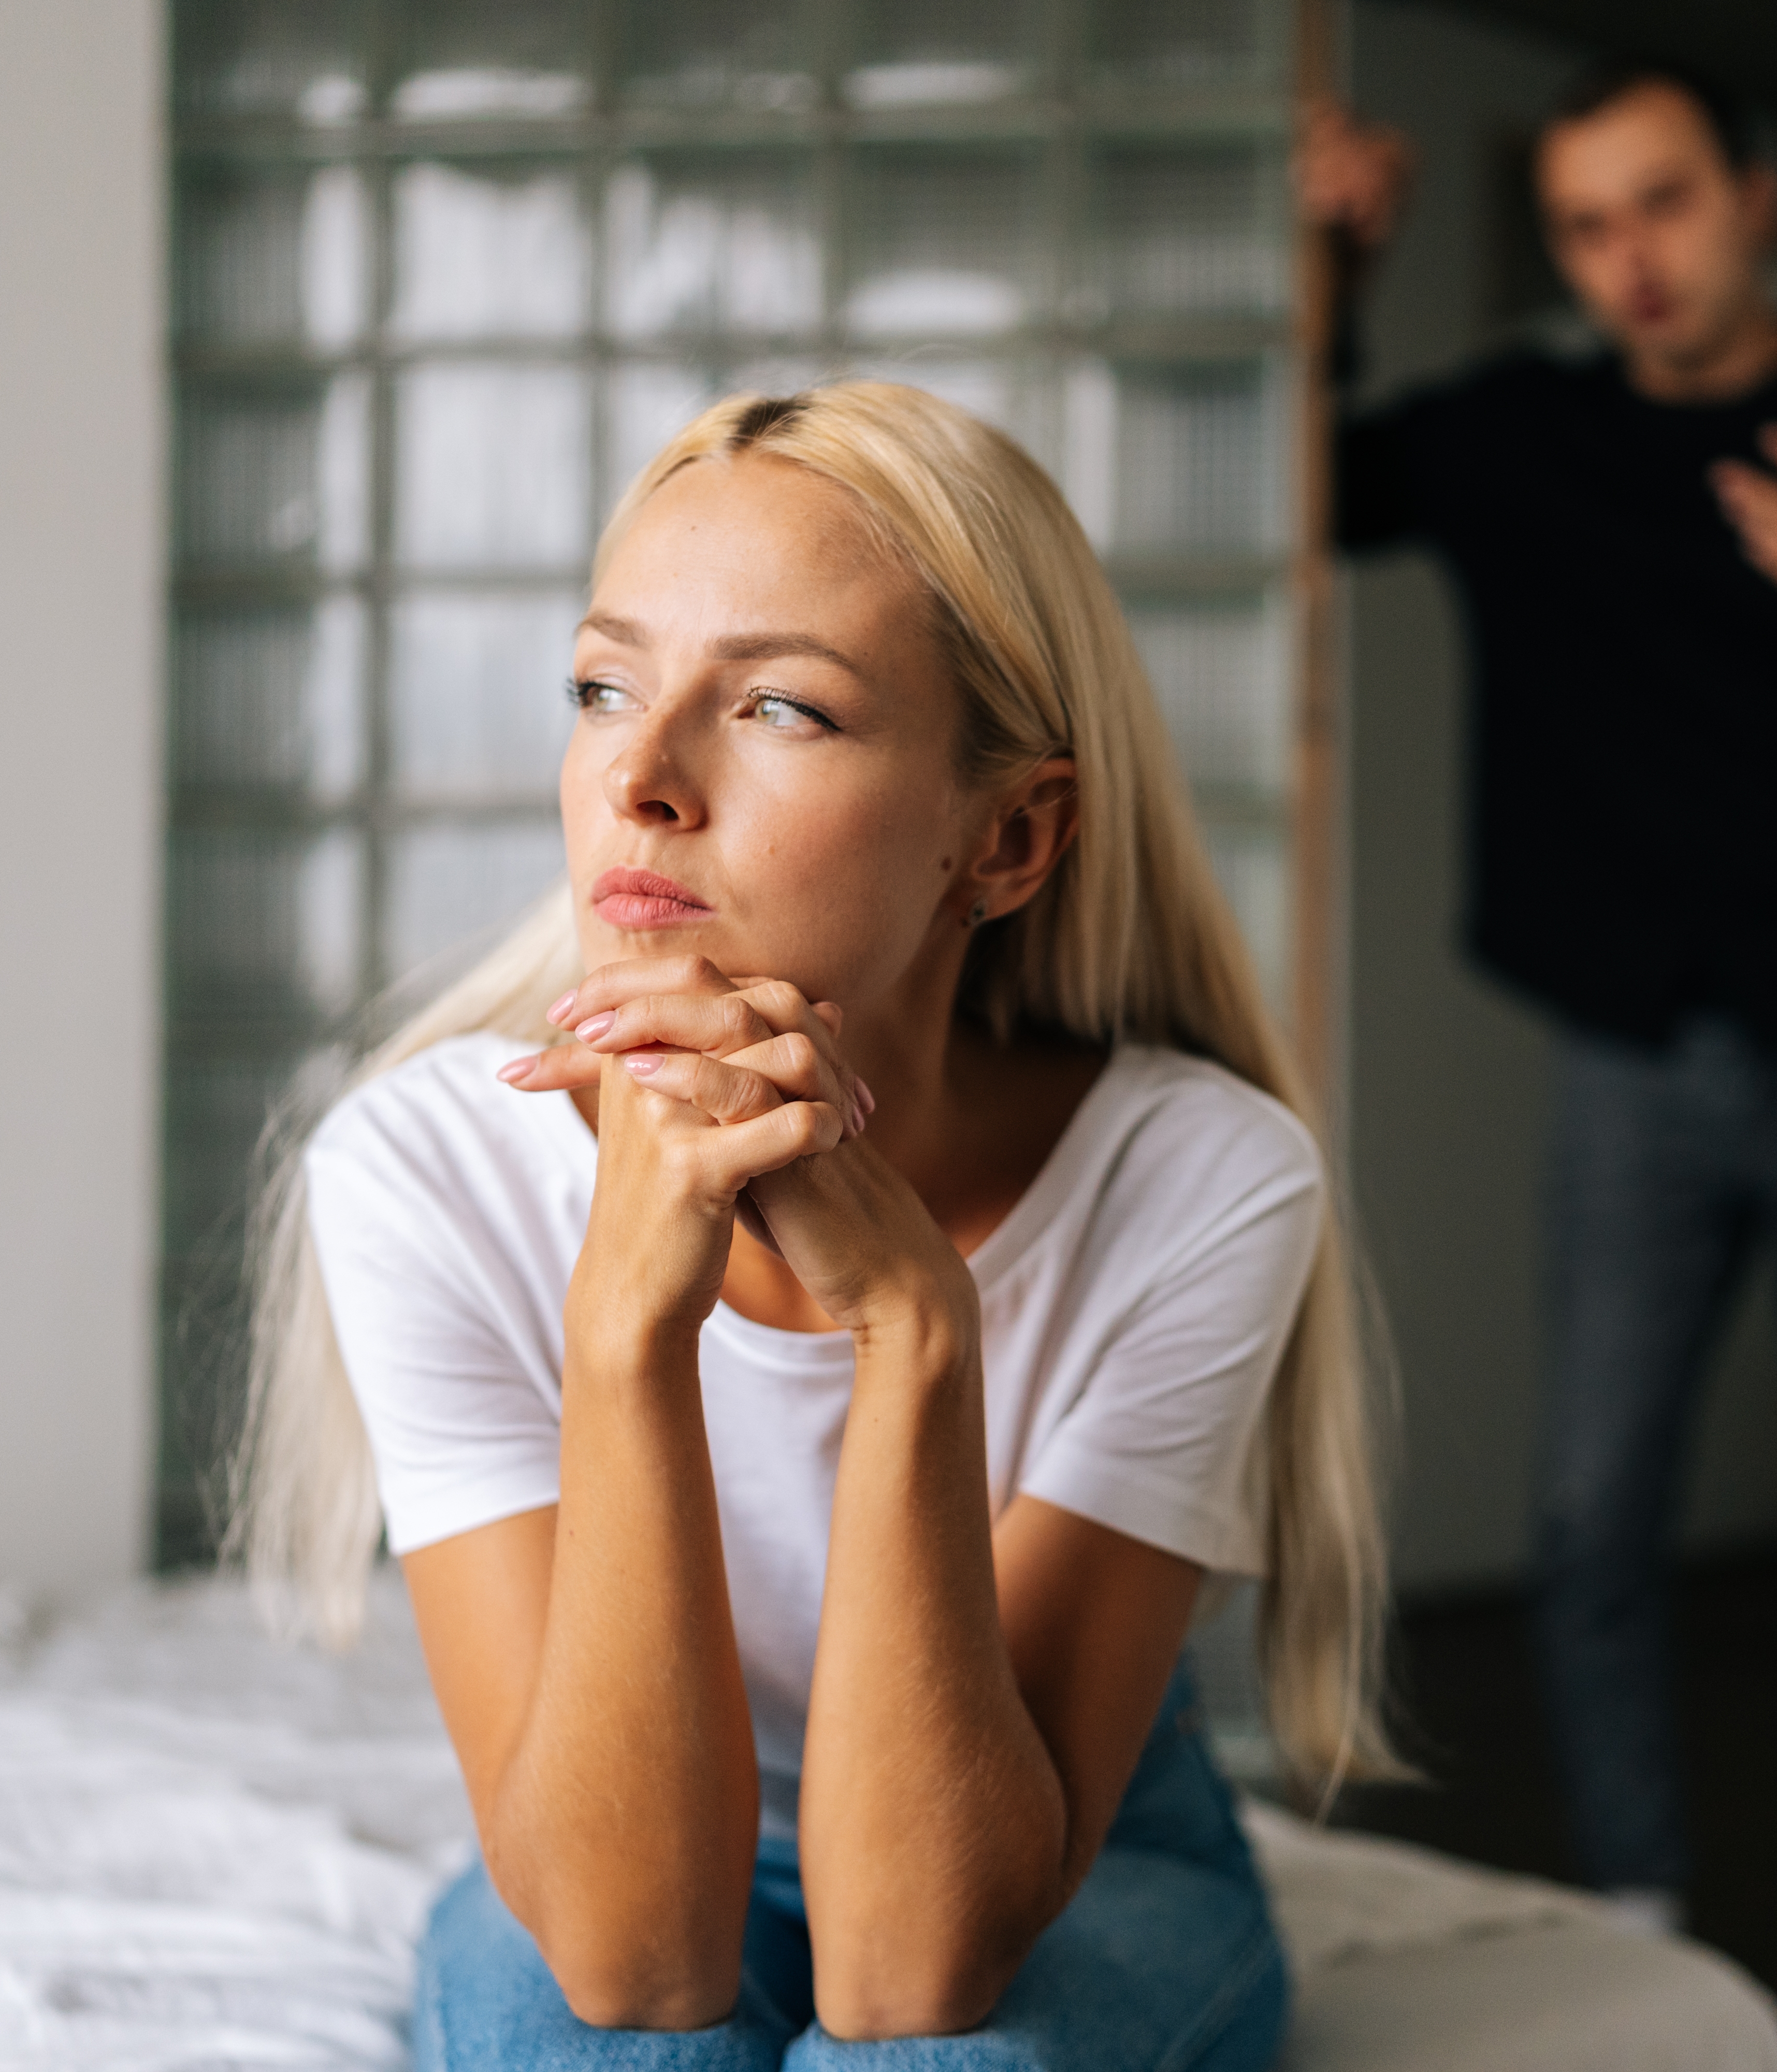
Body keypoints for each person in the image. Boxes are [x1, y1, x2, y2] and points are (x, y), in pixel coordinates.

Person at [230, 382, 1393, 2070]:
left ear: (1005, 839)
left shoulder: (1200, 1180)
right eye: (602, 686)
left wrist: (919, 1332)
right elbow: (634, 1960)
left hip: (1065, 1848)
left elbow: (914, 1975)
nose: (640, 778)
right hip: (625, 1838)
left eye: (778, 705)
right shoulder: (425, 1167)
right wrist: (629, 1324)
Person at [1304, 59, 1777, 2072]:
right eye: (1586, 223)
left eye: (1662, 203)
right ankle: (1644, 1910)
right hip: (1640, 1055)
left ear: (1755, 201)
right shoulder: (1522, 434)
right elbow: (1312, 482)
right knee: (1588, 1513)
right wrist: (1330, 258)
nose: (1627, 259)